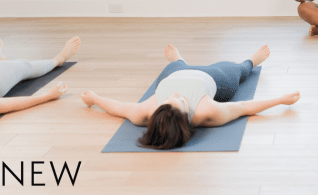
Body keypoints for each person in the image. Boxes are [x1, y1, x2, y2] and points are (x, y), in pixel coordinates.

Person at [81, 44, 300, 150]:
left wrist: (94, 98)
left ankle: (179, 60)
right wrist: (280, 100)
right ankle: (250, 61)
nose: (177, 95)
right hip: (213, 78)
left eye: (171, 99)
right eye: (182, 101)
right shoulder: (207, 112)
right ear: (188, 118)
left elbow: (118, 107)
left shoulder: (144, 113)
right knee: (238, 71)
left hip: (173, 75)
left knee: (174, 67)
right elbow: (243, 107)